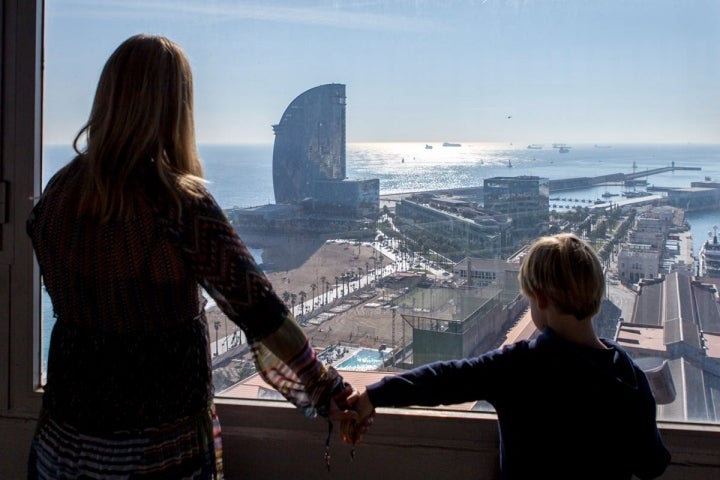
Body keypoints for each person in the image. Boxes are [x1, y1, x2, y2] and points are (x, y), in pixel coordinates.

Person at [27, 34, 357, 479]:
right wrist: (325, 389)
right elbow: (258, 308)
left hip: (60, 444)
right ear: (175, 107)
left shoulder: (58, 195)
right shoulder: (176, 205)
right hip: (159, 448)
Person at [348, 233, 671, 479]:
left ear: (540, 298)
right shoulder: (627, 374)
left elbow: (444, 380)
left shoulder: (522, 365)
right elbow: (652, 465)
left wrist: (373, 395)